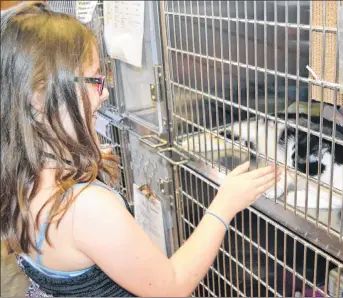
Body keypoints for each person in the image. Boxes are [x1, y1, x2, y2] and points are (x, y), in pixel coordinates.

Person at [0, 2, 280, 297]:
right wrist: (224, 205)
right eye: (95, 79)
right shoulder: (87, 208)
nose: (105, 92)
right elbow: (171, 286)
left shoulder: (23, 177)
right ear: (39, 95)